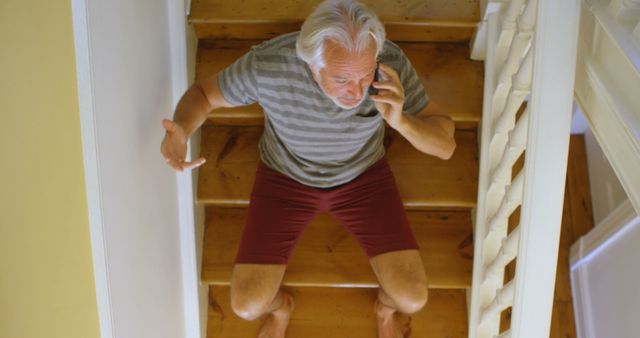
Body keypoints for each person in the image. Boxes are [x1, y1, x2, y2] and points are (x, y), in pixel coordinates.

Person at [161, 0, 456, 336]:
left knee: (412, 298)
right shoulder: (269, 64)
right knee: (247, 306)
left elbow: (446, 145)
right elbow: (203, 94)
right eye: (342, 78)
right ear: (311, 65)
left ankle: (384, 309)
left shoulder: (390, 65)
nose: (357, 91)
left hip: (363, 179)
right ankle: (280, 308)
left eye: (365, 75)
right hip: (284, 179)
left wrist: (401, 121)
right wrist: (183, 130)